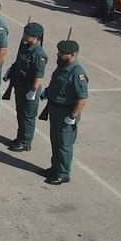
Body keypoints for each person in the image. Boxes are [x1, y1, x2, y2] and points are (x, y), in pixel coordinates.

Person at [42, 39, 89, 185]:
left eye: (63, 53)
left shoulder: (76, 73)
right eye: (59, 52)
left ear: (73, 54)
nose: (59, 54)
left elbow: (82, 99)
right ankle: (55, 168)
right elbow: (57, 84)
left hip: (66, 113)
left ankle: (63, 173)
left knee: (64, 145)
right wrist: (47, 93)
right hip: (55, 110)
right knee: (55, 141)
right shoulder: (62, 66)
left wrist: (72, 116)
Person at [5, 22, 47, 152]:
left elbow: (38, 76)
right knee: (20, 113)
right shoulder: (25, 47)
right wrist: (10, 71)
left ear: (36, 37)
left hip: (29, 87)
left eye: (28, 35)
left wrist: (33, 91)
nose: (24, 36)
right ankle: (20, 136)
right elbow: (18, 63)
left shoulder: (39, 54)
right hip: (20, 84)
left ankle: (26, 141)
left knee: (27, 116)